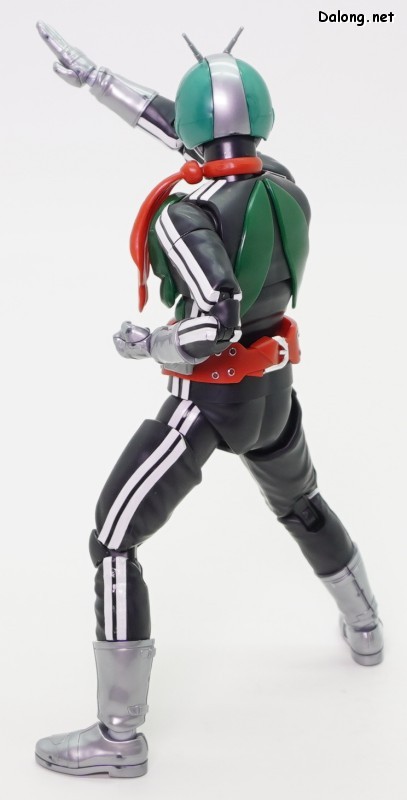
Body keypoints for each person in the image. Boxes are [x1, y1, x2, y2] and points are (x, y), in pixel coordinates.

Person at [35, 22, 384, 779]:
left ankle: (119, 736)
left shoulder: (185, 213)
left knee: (113, 539)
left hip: (208, 402)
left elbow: (210, 323)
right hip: (272, 391)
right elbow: (194, 137)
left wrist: (146, 342)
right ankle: (366, 628)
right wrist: (98, 80)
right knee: (301, 502)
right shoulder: (282, 181)